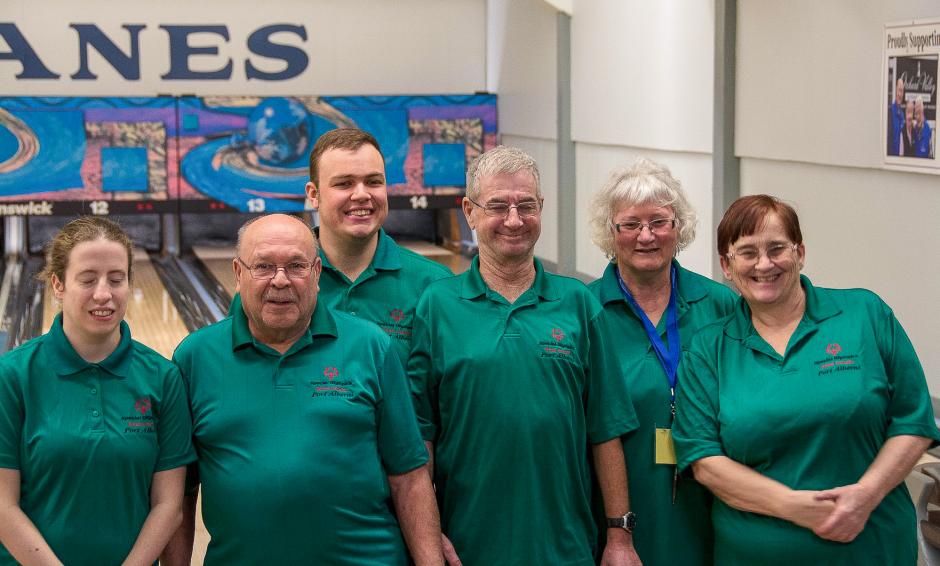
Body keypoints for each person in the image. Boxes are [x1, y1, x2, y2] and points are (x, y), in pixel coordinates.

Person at [673, 195, 940, 565]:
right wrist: (795, 507)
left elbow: (914, 421)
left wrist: (865, 495)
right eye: (747, 252)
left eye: (777, 248)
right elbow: (703, 459)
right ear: (726, 266)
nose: (764, 264)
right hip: (757, 555)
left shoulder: (864, 315)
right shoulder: (708, 348)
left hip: (871, 547)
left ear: (800, 252)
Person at [163, 214, 443, 565]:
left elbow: (410, 477)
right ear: (237, 273)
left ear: (316, 273)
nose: (280, 281)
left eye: (296, 266)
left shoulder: (371, 346)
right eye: (263, 266)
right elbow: (178, 493)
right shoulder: (194, 358)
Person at [409, 146, 642, 566]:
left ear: (541, 209)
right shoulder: (436, 305)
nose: (514, 220)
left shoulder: (577, 303)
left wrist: (619, 536)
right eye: (498, 206)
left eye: (526, 205)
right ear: (470, 211)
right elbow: (421, 436)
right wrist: (428, 535)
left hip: (565, 547)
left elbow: (605, 429)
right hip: (466, 547)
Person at [0, 217, 194, 565]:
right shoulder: (12, 376)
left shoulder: (163, 378)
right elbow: (2, 505)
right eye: (87, 279)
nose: (103, 293)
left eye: (116, 279)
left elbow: (169, 506)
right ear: (58, 285)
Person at [586, 158, 736, 566]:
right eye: (630, 224)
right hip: (620, 512)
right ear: (610, 231)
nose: (646, 236)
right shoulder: (585, 311)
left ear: (679, 227)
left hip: (711, 503)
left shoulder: (722, 305)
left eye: (659, 222)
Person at [304, 127, 454, 363]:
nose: (362, 194)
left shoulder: (434, 284)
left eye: (374, 182)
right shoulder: (281, 282)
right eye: (344, 184)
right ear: (314, 194)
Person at [888, 77, 906, 156]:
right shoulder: (890, 111)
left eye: (902, 91)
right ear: (895, 90)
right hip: (891, 156)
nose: (900, 94)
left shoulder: (902, 114)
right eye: (899, 90)